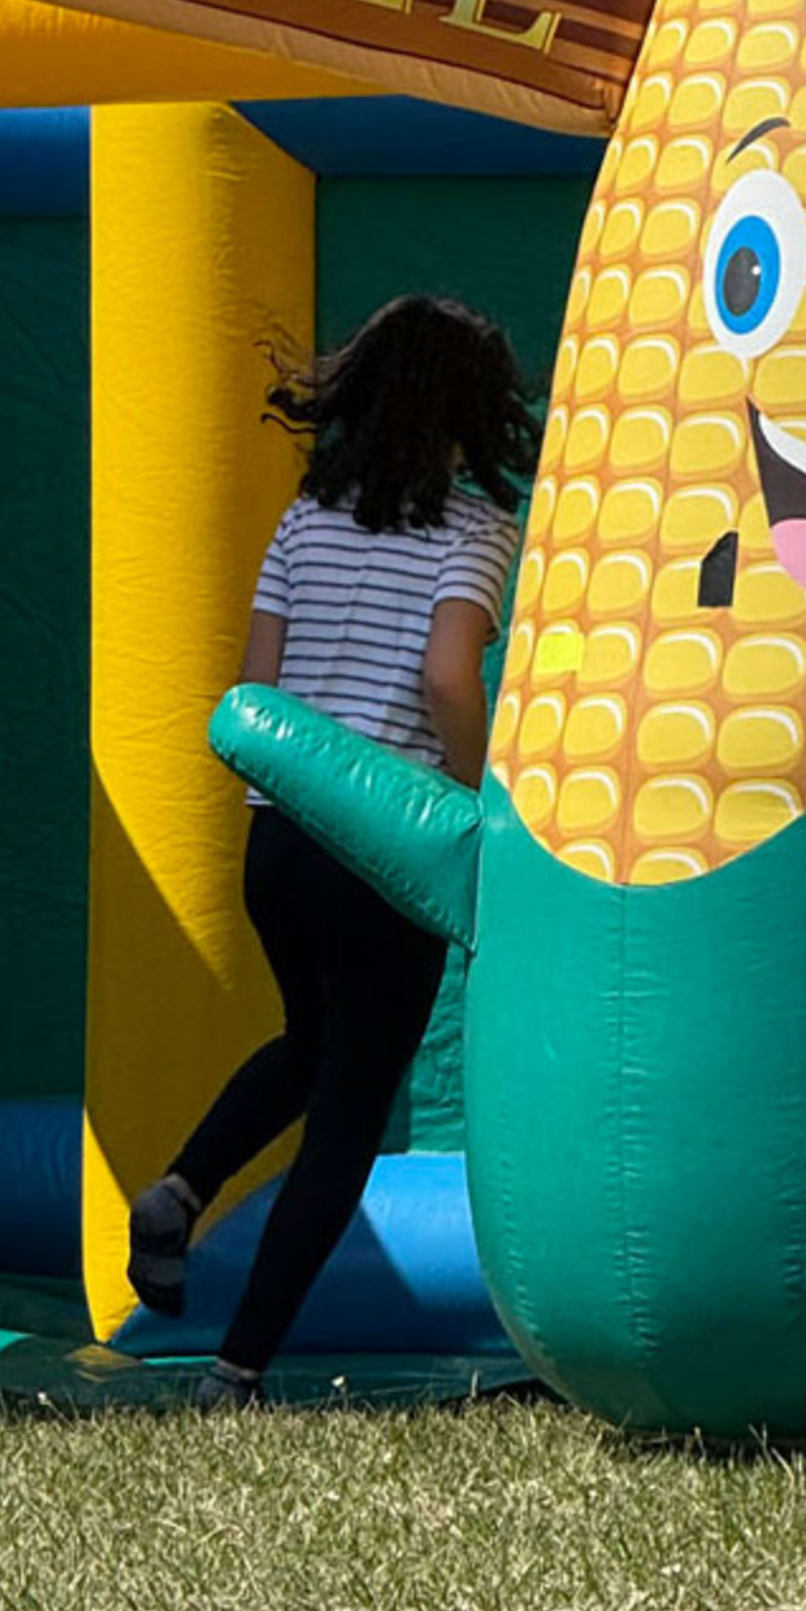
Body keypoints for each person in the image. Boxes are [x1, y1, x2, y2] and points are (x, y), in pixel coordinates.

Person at [129, 295, 538, 1407]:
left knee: (311, 1041)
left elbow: (258, 686)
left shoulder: (309, 516)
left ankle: (180, 1183)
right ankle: (238, 1363)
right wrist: (469, 798)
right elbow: (449, 676)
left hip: (281, 838)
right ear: (470, 414)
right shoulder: (472, 529)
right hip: (382, 850)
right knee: (352, 1109)